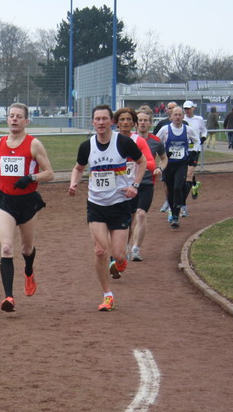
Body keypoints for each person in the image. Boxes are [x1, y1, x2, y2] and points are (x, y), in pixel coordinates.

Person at [68, 105, 146, 312]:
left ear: (112, 121)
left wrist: (135, 185)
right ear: (93, 122)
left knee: (118, 255)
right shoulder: (87, 146)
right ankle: (107, 295)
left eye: (104, 119)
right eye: (97, 119)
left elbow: (142, 162)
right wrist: (74, 182)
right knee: (100, 251)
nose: (101, 123)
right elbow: (78, 168)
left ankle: (121, 260)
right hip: (96, 205)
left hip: (120, 204)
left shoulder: (124, 143)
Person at [0, 102, 54, 312]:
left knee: (26, 248)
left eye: (18, 116)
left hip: (27, 201)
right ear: (7, 119)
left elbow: (49, 173)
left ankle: (29, 270)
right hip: (5, 201)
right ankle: (9, 297)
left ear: (26, 121)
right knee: (6, 248)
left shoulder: (34, 144)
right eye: (11, 115)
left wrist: (31, 177)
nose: (14, 119)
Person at [112, 107, 155, 262]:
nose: (125, 123)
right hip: (118, 188)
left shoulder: (139, 141)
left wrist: (139, 161)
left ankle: (132, 249)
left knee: (138, 216)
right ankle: (121, 249)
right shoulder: (111, 139)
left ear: (133, 123)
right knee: (124, 222)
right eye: (122, 119)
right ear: (116, 123)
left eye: (129, 119)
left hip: (139, 185)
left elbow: (150, 162)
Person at [130, 107, 167, 261]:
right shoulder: (128, 140)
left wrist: (159, 168)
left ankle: (136, 249)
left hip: (146, 183)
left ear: (150, 123)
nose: (143, 123)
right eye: (140, 120)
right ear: (135, 123)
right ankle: (123, 246)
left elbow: (164, 158)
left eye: (146, 120)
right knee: (129, 219)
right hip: (129, 184)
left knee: (141, 214)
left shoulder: (156, 142)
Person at [155, 106, 200, 229]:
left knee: (177, 187)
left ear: (183, 116)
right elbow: (157, 142)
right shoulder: (165, 129)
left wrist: (193, 152)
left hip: (181, 164)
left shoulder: (188, 130)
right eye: (175, 114)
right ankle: (174, 214)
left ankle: (177, 212)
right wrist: (162, 154)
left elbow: (197, 141)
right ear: (171, 116)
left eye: (180, 115)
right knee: (170, 190)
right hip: (168, 164)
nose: (178, 117)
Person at [181, 100, 206, 215]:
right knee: (186, 173)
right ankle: (194, 184)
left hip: (195, 150)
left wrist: (202, 139)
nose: (187, 110)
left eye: (189, 108)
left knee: (189, 173)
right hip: (183, 150)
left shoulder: (198, 119)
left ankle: (182, 203)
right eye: (185, 109)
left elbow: (204, 131)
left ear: (193, 108)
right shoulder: (182, 119)